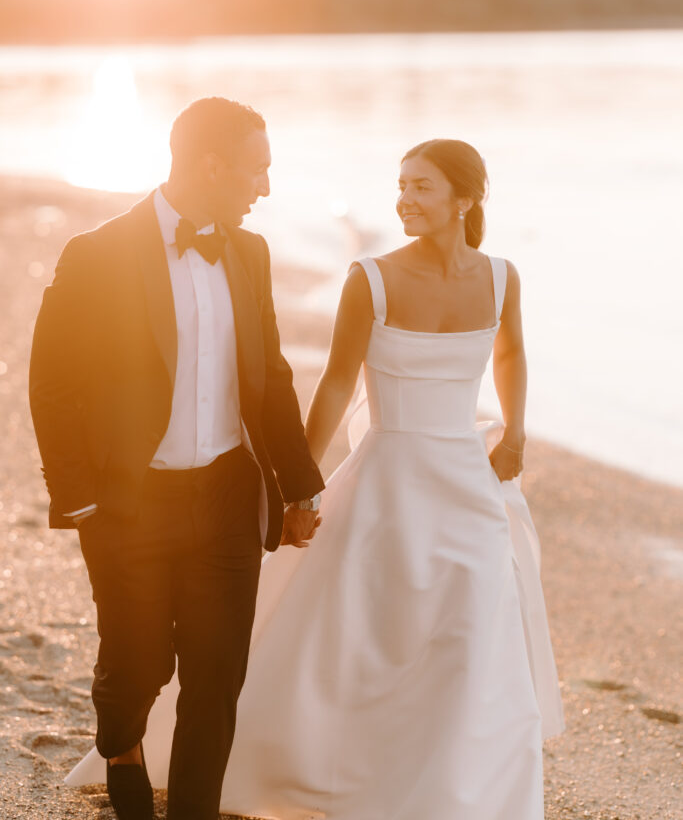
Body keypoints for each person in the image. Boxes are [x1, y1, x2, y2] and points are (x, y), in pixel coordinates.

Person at [68, 138, 564, 818]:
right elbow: (331, 385)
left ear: (465, 199)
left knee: (466, 635)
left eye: (421, 187)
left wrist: (516, 430)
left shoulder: (503, 277)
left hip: (468, 484)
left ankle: (446, 789)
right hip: (389, 480)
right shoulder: (371, 277)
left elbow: (510, 353)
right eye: (401, 184)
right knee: (368, 634)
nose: (404, 199)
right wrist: (296, 483)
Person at [29, 97, 324, 820]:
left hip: (226, 496)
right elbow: (52, 383)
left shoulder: (249, 254)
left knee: (216, 674)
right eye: (258, 171)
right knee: (138, 665)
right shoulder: (97, 254)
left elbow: (271, 376)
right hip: (129, 501)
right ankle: (121, 741)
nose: (265, 188)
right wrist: (82, 500)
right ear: (211, 165)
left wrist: (296, 488)